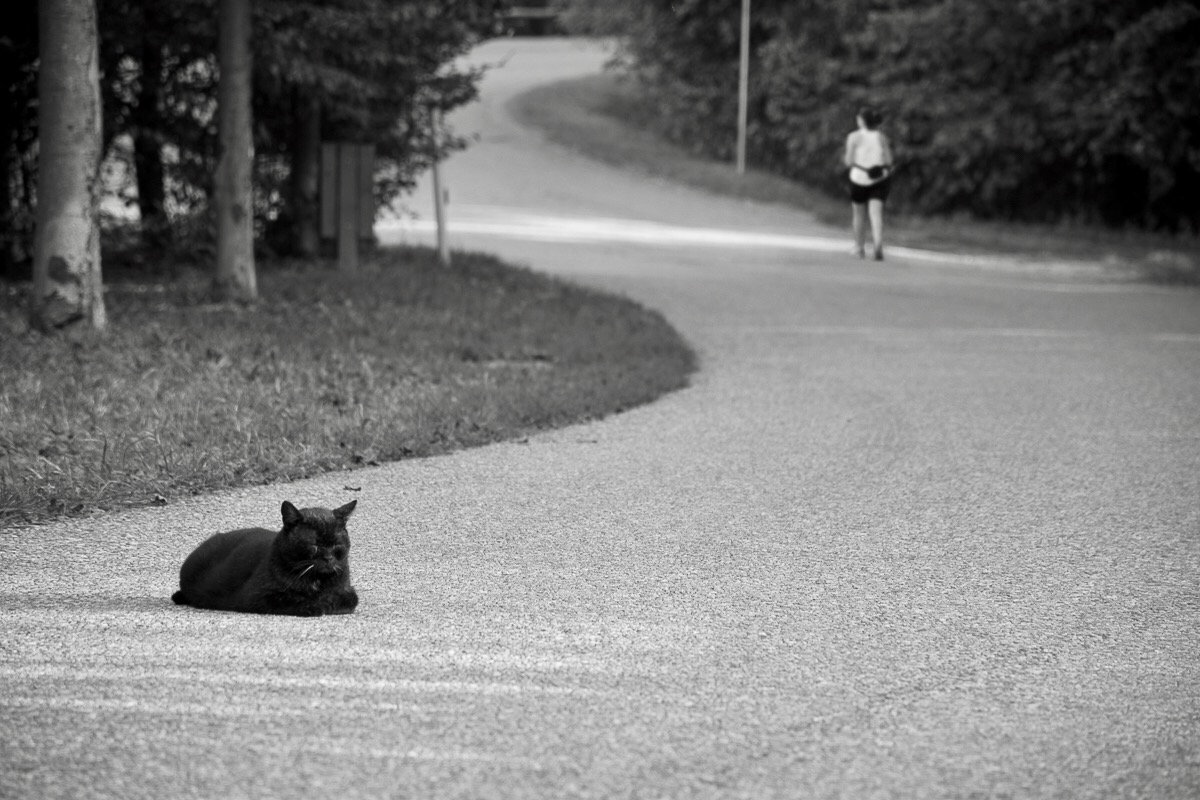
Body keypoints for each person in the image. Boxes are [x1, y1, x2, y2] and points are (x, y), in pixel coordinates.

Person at [843, 107, 894, 261]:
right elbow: (889, 161)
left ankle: (859, 247)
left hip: (858, 178)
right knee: (876, 213)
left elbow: (849, 161)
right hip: (879, 179)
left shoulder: (854, 137)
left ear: (862, 121)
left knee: (859, 213)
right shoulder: (881, 137)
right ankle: (878, 243)